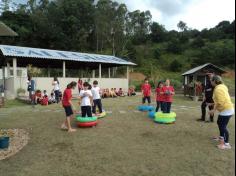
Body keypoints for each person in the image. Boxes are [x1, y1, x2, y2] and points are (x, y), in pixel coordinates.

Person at [209, 75, 234, 150]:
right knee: (220, 123)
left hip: (226, 109)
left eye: (211, 80)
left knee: (223, 126)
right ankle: (221, 138)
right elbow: (222, 99)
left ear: (214, 81)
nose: (210, 82)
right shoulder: (223, 86)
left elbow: (220, 102)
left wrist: (213, 110)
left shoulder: (218, 89)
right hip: (227, 109)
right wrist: (212, 104)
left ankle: (226, 144)